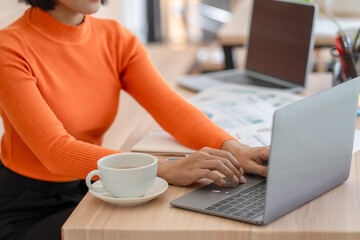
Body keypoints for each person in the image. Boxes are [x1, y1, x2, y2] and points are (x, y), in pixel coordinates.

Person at [0, 0, 270, 239]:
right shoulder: (9, 48)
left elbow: (172, 110)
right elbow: (55, 152)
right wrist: (164, 168)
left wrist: (235, 148)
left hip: (95, 184)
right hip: (29, 206)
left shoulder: (115, 37)